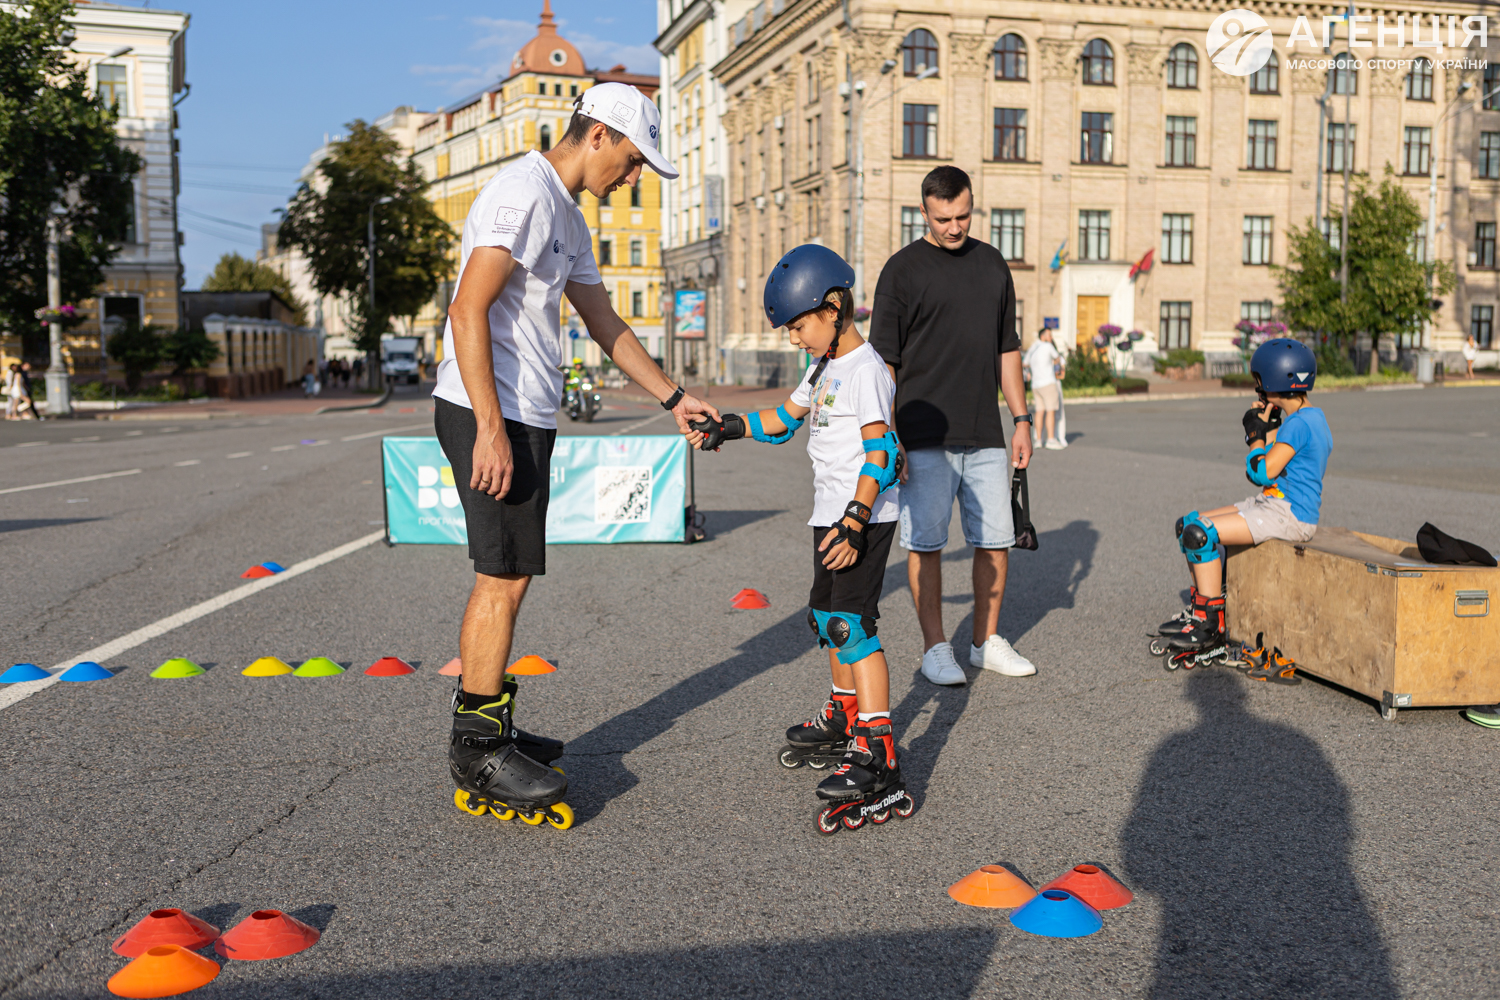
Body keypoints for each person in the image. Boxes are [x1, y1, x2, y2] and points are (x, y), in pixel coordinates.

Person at [434, 82, 716, 830]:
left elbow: (603, 321)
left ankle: (490, 720)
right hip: (488, 408)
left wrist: (673, 397)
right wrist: (490, 428)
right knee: (500, 576)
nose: (632, 177)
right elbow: (467, 307)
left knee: (514, 573)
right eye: (632, 161)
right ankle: (477, 748)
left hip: (522, 412)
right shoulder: (523, 193)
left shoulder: (568, 215)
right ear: (598, 136)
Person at [688, 244, 914, 833]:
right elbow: (782, 421)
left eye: (798, 326)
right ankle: (845, 715)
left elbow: (882, 451)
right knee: (825, 617)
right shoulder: (823, 366)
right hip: (829, 512)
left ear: (833, 309)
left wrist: (855, 521)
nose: (793, 339)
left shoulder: (865, 370)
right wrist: (727, 427)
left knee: (852, 626)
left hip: (861, 516)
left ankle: (879, 751)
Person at [868, 165, 1036, 687]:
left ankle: (985, 642)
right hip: (921, 436)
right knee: (926, 544)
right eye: (943, 219)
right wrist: (888, 434)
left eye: (963, 216)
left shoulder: (992, 264)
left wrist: (1022, 420)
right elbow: (884, 363)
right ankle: (935, 648)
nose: (955, 227)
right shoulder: (901, 271)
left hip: (985, 430)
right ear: (923, 212)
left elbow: (1007, 348)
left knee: (996, 539)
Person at [1153, 338, 1331, 679]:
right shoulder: (1308, 418)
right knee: (1189, 524)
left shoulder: (1300, 424)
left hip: (1290, 515)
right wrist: (1269, 424)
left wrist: (1254, 436)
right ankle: (1204, 606)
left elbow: (1261, 472)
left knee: (1199, 533)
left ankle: (1209, 627)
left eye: (1259, 380)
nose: (1257, 386)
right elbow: (1282, 458)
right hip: (1275, 504)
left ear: (1274, 379)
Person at [1023, 327, 1066, 450]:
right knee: (1050, 411)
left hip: (1036, 385)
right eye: (1049, 335)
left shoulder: (1033, 347)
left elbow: (1025, 363)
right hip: (1048, 382)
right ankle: (1051, 439)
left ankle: (1038, 440)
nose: (1051, 338)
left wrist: (1031, 372)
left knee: (1039, 412)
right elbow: (1057, 358)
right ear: (1043, 336)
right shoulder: (1048, 346)